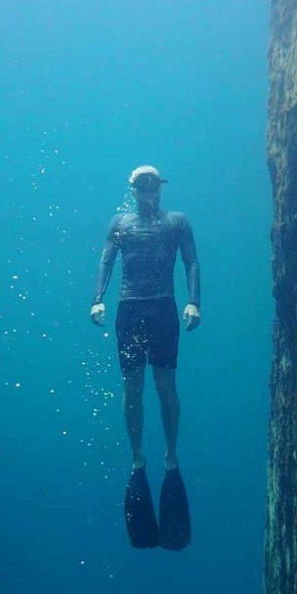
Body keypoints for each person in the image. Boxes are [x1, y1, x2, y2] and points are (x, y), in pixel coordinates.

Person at [90, 165, 201, 550]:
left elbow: (191, 261)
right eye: (141, 185)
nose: (148, 191)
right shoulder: (120, 223)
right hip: (130, 310)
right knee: (132, 387)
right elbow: (106, 261)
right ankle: (138, 459)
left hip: (164, 309)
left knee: (165, 386)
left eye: (153, 184)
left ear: (161, 187)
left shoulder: (177, 222)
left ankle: (171, 457)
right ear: (133, 189)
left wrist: (194, 302)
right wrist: (97, 299)